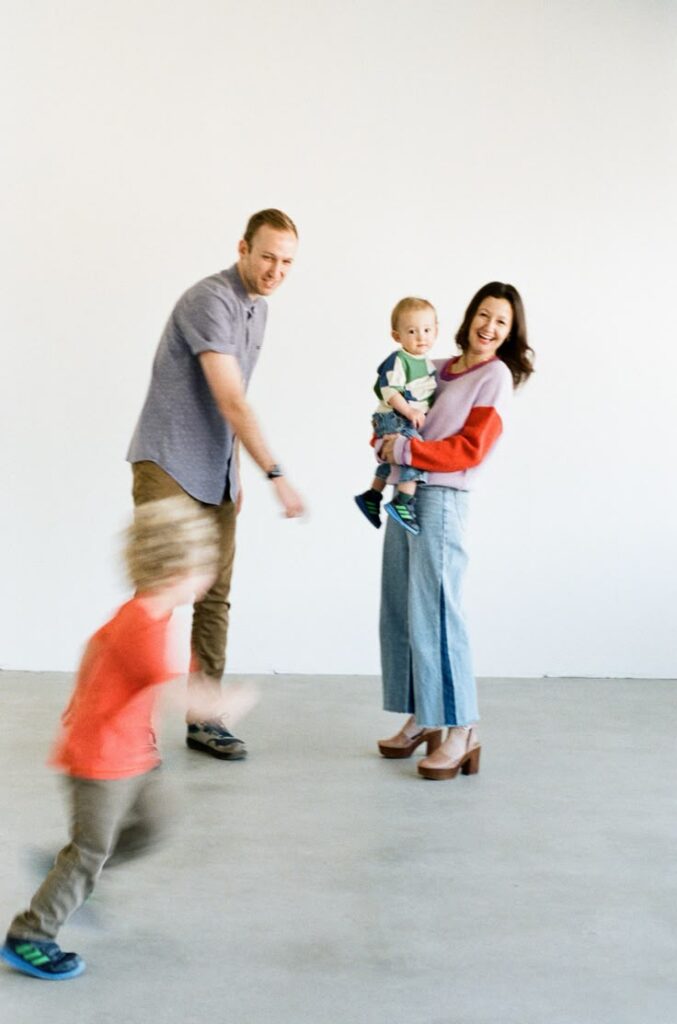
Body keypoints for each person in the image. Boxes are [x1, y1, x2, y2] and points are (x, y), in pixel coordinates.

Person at [0, 497, 258, 980]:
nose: (208, 577)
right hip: (101, 764)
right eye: (203, 565)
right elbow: (188, 698)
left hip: (137, 754)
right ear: (175, 568)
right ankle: (31, 935)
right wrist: (230, 703)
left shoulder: (157, 619)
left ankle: (74, 874)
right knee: (88, 853)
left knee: (156, 823)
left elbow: (133, 664)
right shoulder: (140, 626)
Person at [127, 209, 304, 762]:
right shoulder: (212, 299)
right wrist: (274, 473)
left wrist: (230, 469)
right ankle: (130, 724)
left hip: (213, 469)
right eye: (268, 256)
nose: (276, 269)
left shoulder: (259, 310)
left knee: (215, 597)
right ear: (243, 248)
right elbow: (231, 397)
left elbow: (230, 403)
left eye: (287, 261)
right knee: (158, 597)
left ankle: (205, 721)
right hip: (169, 462)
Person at [376, 282, 534, 780]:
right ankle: (427, 718)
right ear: (469, 317)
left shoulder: (495, 377)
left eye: (501, 322)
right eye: (484, 315)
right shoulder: (435, 367)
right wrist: (386, 434)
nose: (489, 327)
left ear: (509, 333)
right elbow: (405, 414)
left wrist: (403, 452)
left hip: (443, 498)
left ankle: (463, 728)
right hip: (408, 491)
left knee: (440, 610)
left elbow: (471, 449)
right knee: (402, 604)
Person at [354, 297, 438, 536]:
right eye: (412, 331)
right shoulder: (400, 360)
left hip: (402, 418)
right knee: (414, 454)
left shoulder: (429, 364)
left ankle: (372, 495)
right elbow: (389, 391)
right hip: (394, 416)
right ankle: (402, 502)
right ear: (397, 336)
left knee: (393, 461)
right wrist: (410, 411)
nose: (421, 337)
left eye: (427, 330)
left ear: (436, 331)